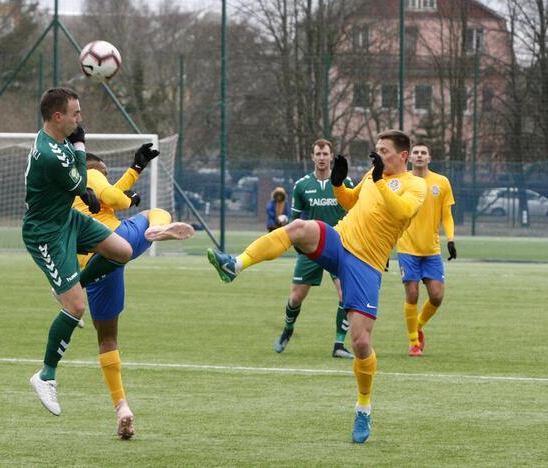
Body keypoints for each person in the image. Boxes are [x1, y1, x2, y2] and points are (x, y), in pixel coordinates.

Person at [207, 129, 426, 443]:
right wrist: (338, 183)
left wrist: (377, 179)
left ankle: (363, 407)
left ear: (403, 155)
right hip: (339, 239)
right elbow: (350, 203)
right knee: (297, 227)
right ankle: (235, 264)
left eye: (384, 150)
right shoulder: (372, 175)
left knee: (361, 342)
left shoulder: (414, 184)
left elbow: (401, 211)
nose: (378, 154)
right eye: (376, 149)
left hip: (366, 264)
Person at [23, 87, 136, 418]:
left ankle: (68, 287)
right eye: (76, 113)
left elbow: (78, 179)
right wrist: (81, 145)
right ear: (57, 117)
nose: (80, 118)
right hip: (47, 234)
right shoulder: (49, 152)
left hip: (67, 219)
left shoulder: (57, 143)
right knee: (76, 308)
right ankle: (45, 374)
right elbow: (77, 176)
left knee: (122, 250)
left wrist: (81, 176)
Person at [72, 151, 194, 439]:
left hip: (92, 265)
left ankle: (121, 407)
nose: (105, 175)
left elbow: (110, 192)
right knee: (151, 212)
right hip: (117, 240)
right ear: (93, 167)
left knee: (107, 339)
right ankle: (157, 228)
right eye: (103, 171)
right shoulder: (90, 173)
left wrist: (135, 168)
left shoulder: (70, 189)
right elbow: (114, 198)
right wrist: (131, 199)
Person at [273, 139, 354, 359]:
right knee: (296, 297)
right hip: (311, 247)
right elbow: (294, 219)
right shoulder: (302, 185)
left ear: (331, 156)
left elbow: (357, 214)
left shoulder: (344, 182)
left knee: (345, 295)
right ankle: (288, 330)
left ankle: (339, 344)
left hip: (339, 247)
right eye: (317, 153)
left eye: (325, 154)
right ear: (312, 156)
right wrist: (291, 240)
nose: (321, 158)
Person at [396, 143, 456, 357]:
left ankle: (418, 325)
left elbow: (447, 215)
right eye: (416, 153)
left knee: (437, 296)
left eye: (424, 152)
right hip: (407, 247)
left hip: (431, 250)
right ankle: (414, 343)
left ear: (429, 158)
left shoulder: (441, 182)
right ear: (409, 157)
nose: (420, 156)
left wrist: (450, 239)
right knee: (412, 294)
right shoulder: (401, 181)